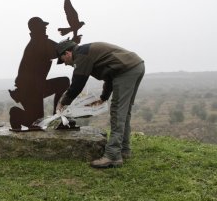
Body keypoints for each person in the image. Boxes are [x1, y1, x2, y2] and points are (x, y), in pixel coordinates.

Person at [56, 40, 144, 168]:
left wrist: (62, 103)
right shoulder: (86, 52)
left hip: (126, 70)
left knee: (118, 111)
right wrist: (104, 97)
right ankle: (124, 150)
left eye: (62, 59)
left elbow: (77, 84)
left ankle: (113, 156)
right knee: (124, 111)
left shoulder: (82, 56)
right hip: (134, 66)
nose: (64, 63)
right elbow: (109, 75)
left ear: (68, 53)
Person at [9, 17, 70, 130]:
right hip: (30, 89)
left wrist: (70, 45)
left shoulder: (40, 42)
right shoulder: (39, 43)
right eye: (42, 26)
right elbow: (59, 50)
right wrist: (72, 46)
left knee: (63, 82)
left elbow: (59, 49)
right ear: (36, 28)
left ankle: (58, 116)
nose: (45, 28)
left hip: (36, 87)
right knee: (36, 122)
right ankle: (16, 114)